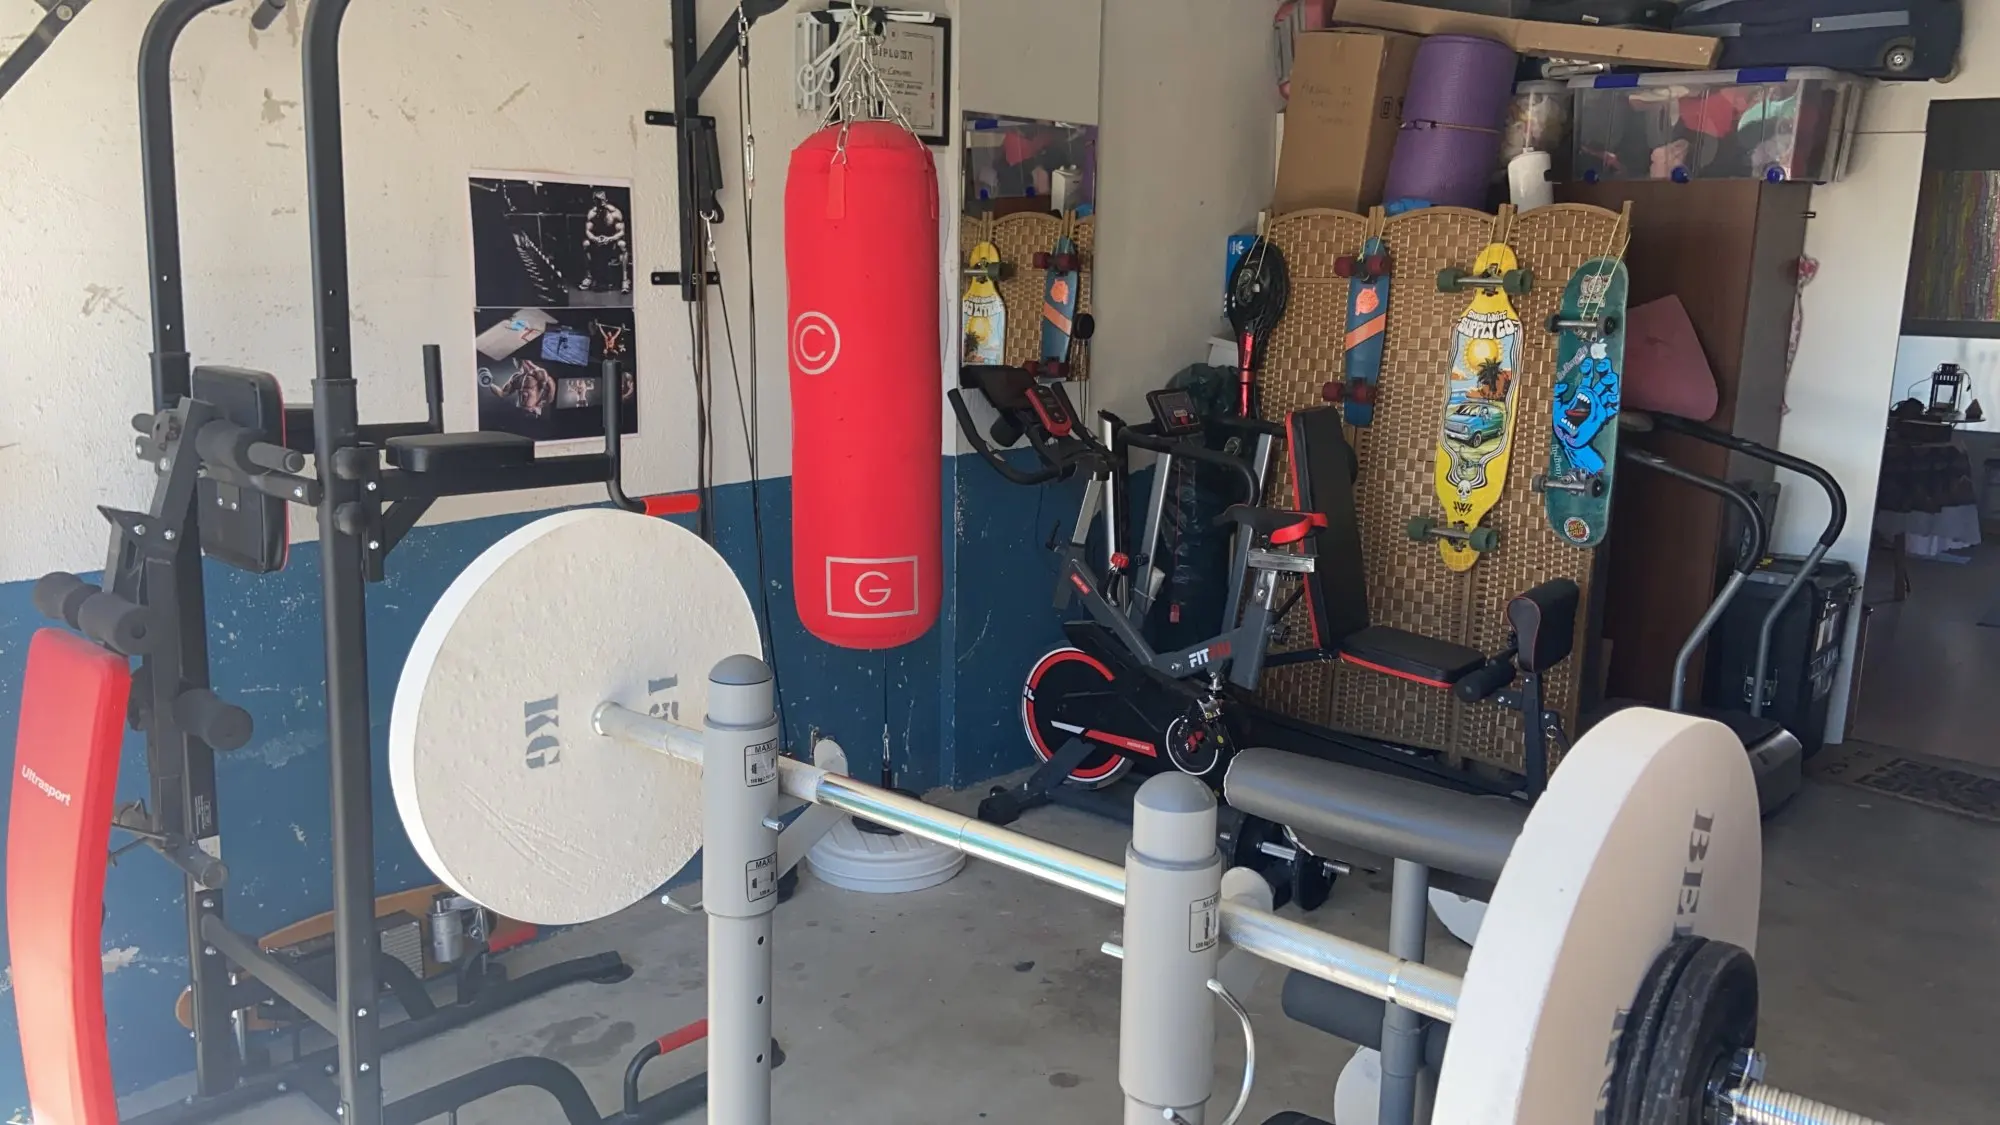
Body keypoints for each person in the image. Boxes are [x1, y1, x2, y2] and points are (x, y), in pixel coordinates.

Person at [580, 189, 630, 295]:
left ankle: (625, 280)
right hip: (598, 241)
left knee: (622, 244)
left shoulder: (615, 213)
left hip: (612, 242)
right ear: (594, 201)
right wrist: (595, 239)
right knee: (586, 244)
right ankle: (588, 277)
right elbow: (587, 231)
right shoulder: (592, 214)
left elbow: (621, 232)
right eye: (597, 200)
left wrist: (610, 239)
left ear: (606, 200)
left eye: (602, 200)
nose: (600, 203)